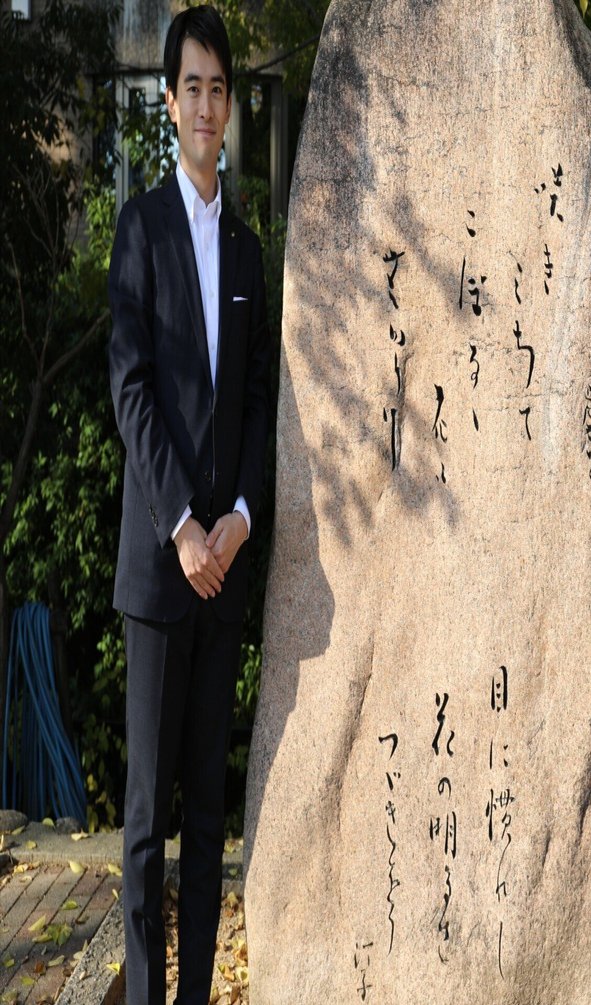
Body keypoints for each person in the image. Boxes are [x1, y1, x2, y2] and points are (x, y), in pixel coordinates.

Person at [107, 6, 271, 1003]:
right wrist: (183, 528)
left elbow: (255, 402)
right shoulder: (141, 228)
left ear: (230, 107)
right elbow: (131, 388)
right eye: (192, 88)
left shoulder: (247, 252)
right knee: (143, 823)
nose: (206, 106)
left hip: (225, 570)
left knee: (208, 817)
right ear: (170, 104)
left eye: (219, 89)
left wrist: (239, 520)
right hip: (162, 570)